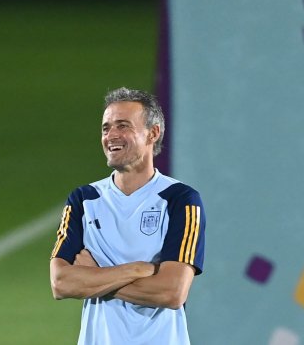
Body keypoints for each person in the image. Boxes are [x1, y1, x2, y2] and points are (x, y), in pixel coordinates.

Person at [49, 87, 205, 345]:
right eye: (106, 127)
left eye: (123, 126)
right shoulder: (84, 200)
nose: (111, 135)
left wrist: (95, 277)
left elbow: (172, 291)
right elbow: (61, 283)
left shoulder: (180, 199)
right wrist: (138, 269)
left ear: (152, 133)